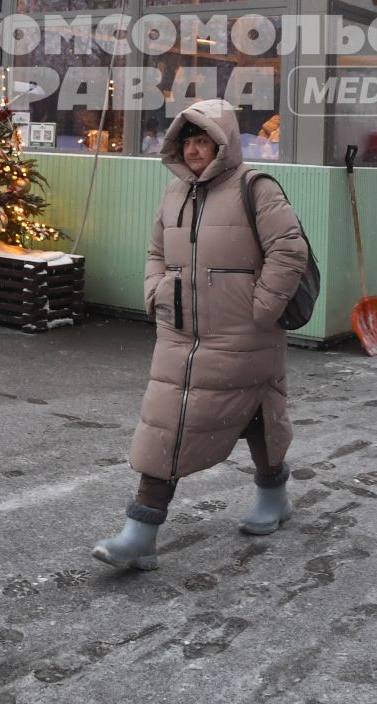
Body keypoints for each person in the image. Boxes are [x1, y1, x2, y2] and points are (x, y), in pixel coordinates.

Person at [92, 98, 309, 571]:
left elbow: (289, 250)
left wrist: (261, 309)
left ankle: (265, 499)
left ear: (223, 143)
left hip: (243, 336)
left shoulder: (257, 188)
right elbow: (156, 250)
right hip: (179, 335)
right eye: (187, 141)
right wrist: (155, 292)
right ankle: (141, 534)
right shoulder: (174, 194)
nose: (193, 150)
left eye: (203, 140)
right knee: (172, 420)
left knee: (241, 417)